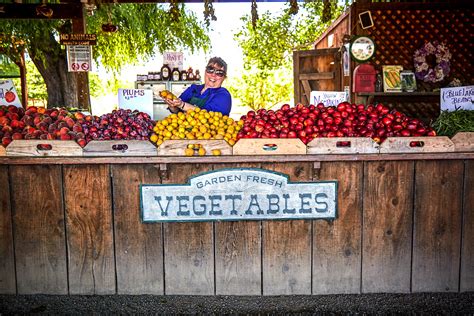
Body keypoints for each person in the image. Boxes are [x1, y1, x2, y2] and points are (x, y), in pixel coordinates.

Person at [163, 57, 232, 116]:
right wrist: (173, 106)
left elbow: (208, 116)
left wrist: (183, 105)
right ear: (205, 71)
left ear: (224, 78)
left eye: (219, 73)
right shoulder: (193, 88)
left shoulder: (223, 95)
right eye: (210, 70)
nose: (213, 75)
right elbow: (177, 111)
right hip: (183, 130)